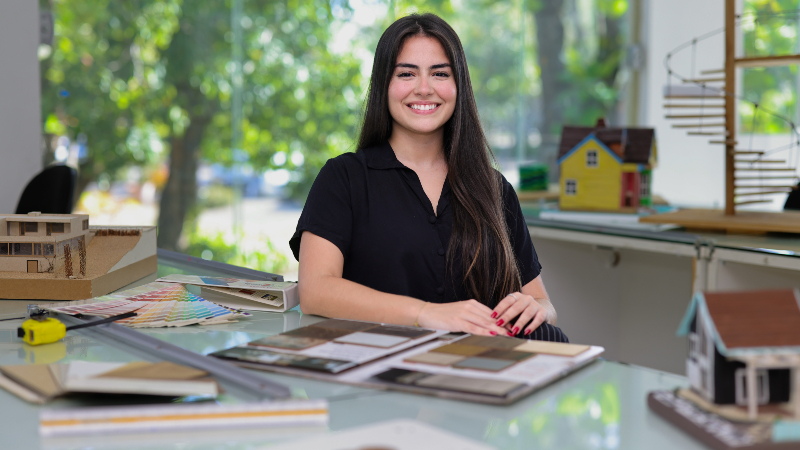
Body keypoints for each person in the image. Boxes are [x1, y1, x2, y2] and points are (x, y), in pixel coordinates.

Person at [289, 13, 567, 342]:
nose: (424, 89)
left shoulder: (495, 188)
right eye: (407, 73)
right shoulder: (343, 178)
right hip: (377, 373)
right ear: (385, 85)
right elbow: (316, 291)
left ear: (458, 85)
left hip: (481, 373)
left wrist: (538, 309)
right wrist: (425, 313)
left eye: (440, 74)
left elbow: (541, 300)